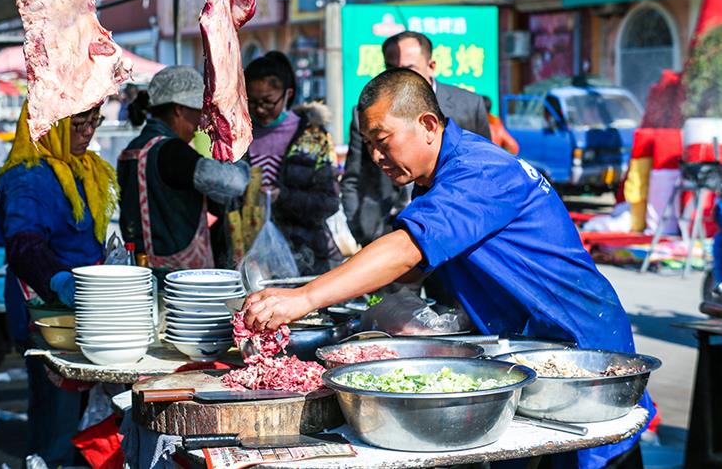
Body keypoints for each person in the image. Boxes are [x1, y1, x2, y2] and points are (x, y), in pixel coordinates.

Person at [242, 69, 653, 469]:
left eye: (382, 141)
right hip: (527, 342)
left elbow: (406, 251)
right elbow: (411, 267)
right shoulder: (433, 180)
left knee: (591, 456)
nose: (376, 156)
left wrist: (306, 297)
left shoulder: (478, 170)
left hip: (578, 347)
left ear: (427, 125)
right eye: (368, 144)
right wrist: (358, 293)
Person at [0, 103, 117, 466]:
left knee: (87, 422)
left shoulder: (84, 167)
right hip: (48, 315)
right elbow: (23, 244)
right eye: (78, 124)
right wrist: (61, 282)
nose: (88, 132)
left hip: (85, 312)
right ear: (47, 126)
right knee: (58, 426)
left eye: (94, 121)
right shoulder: (27, 176)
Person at [341, 31, 490, 248]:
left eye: (408, 68)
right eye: (391, 68)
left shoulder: (468, 105)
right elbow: (353, 177)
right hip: (384, 230)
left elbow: (482, 173)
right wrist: (361, 228)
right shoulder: (366, 115)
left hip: (450, 232)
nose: (377, 155)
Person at [118, 66, 250, 274]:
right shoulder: (172, 151)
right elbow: (234, 183)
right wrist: (241, 159)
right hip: (179, 276)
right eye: (198, 111)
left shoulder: (132, 150)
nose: (200, 123)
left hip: (139, 270)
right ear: (179, 110)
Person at [244, 51, 341, 275]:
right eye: (253, 102)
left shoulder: (314, 137)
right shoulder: (239, 136)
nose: (260, 109)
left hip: (304, 255)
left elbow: (329, 202)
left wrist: (283, 196)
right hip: (249, 255)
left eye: (268, 101)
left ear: (287, 94)